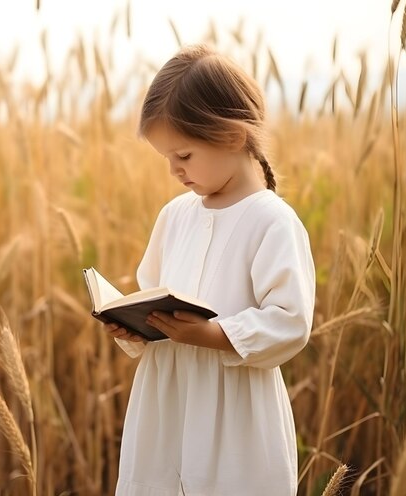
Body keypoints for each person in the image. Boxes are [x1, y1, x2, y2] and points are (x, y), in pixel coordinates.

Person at [103, 44, 315, 496]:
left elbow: (291, 321)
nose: (175, 171)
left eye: (184, 156)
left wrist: (213, 335)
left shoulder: (272, 222)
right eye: (167, 159)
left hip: (234, 414)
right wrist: (136, 329)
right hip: (167, 406)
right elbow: (150, 292)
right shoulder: (174, 216)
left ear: (233, 137)